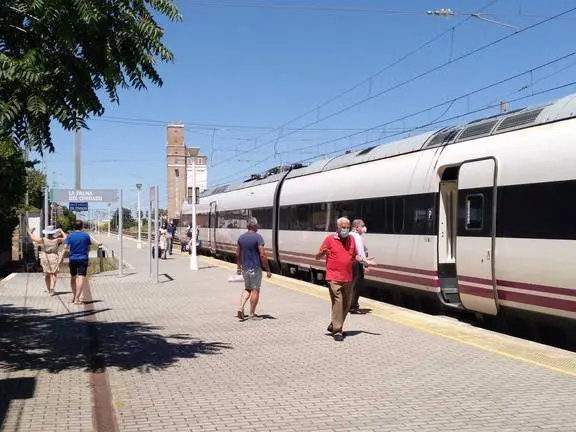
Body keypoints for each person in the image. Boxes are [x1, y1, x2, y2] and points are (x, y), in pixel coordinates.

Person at [316, 217, 362, 341]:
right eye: (343, 227)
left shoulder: (352, 239)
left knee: (347, 304)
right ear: (337, 228)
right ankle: (337, 331)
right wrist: (322, 253)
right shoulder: (329, 239)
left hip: (347, 276)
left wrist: (364, 260)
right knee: (338, 301)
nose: (346, 229)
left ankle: (334, 324)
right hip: (333, 277)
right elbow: (317, 257)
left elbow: (354, 255)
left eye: (347, 227)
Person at [236, 217, 271, 320]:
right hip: (255, 268)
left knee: (248, 288)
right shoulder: (258, 237)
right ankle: (252, 314)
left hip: (245, 268)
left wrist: (238, 267)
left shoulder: (241, 238)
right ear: (255, 226)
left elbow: (237, 254)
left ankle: (240, 306)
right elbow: (262, 254)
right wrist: (267, 269)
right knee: (255, 289)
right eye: (257, 225)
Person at [29, 225, 66, 296]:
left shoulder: (43, 239)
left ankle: (49, 289)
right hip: (54, 256)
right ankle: (52, 289)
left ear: (47, 232)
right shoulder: (57, 240)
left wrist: (31, 233)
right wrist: (61, 231)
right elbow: (66, 238)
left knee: (47, 274)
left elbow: (34, 239)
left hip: (45, 257)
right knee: (53, 274)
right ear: (53, 232)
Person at [64, 220, 91, 305]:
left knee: (73, 277)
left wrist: (70, 252)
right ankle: (77, 299)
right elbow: (89, 248)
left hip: (73, 258)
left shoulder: (70, 236)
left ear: (74, 226)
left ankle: (74, 296)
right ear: (82, 226)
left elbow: (65, 247)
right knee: (81, 278)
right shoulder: (86, 236)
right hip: (83, 258)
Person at [349, 219, 370, 314]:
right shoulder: (356, 237)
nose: (364, 228)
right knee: (356, 285)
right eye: (363, 226)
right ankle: (353, 306)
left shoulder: (350, 235)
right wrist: (365, 264)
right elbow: (361, 252)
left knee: (351, 284)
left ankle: (350, 305)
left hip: (350, 262)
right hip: (356, 263)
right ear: (357, 227)